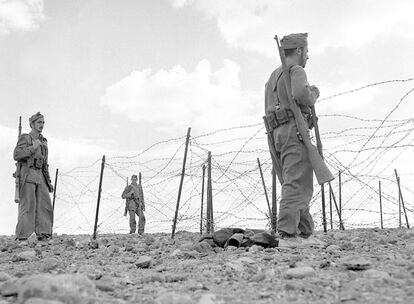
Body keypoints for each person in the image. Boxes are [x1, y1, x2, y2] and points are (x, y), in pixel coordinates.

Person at [264, 33, 320, 241]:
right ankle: (287, 233)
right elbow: (301, 95)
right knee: (298, 182)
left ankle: (304, 231)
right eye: (306, 51)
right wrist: (314, 93)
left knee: (293, 181)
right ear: (298, 51)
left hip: (276, 133)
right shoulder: (295, 70)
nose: (307, 56)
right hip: (293, 131)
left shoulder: (273, 77)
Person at [13, 112, 54, 241]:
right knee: (28, 206)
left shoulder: (44, 141)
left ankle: (44, 234)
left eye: (43, 123)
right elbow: (17, 154)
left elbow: (45, 163)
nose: (41, 125)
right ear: (32, 124)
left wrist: (48, 181)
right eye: (39, 122)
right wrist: (32, 147)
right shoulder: (26, 138)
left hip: (40, 174)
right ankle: (23, 236)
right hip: (28, 173)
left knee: (45, 205)